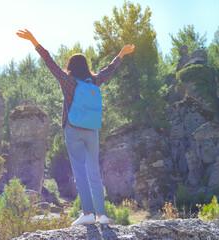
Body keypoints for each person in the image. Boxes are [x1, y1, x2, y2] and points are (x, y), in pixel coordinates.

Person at [16, 29, 135, 225]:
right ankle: (101, 215)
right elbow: (109, 69)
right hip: (92, 130)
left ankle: (88, 213)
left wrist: (33, 41)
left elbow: (49, 62)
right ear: (86, 67)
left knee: (80, 172)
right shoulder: (94, 80)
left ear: (70, 66)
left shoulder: (67, 81)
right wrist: (121, 54)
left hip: (73, 130)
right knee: (94, 172)